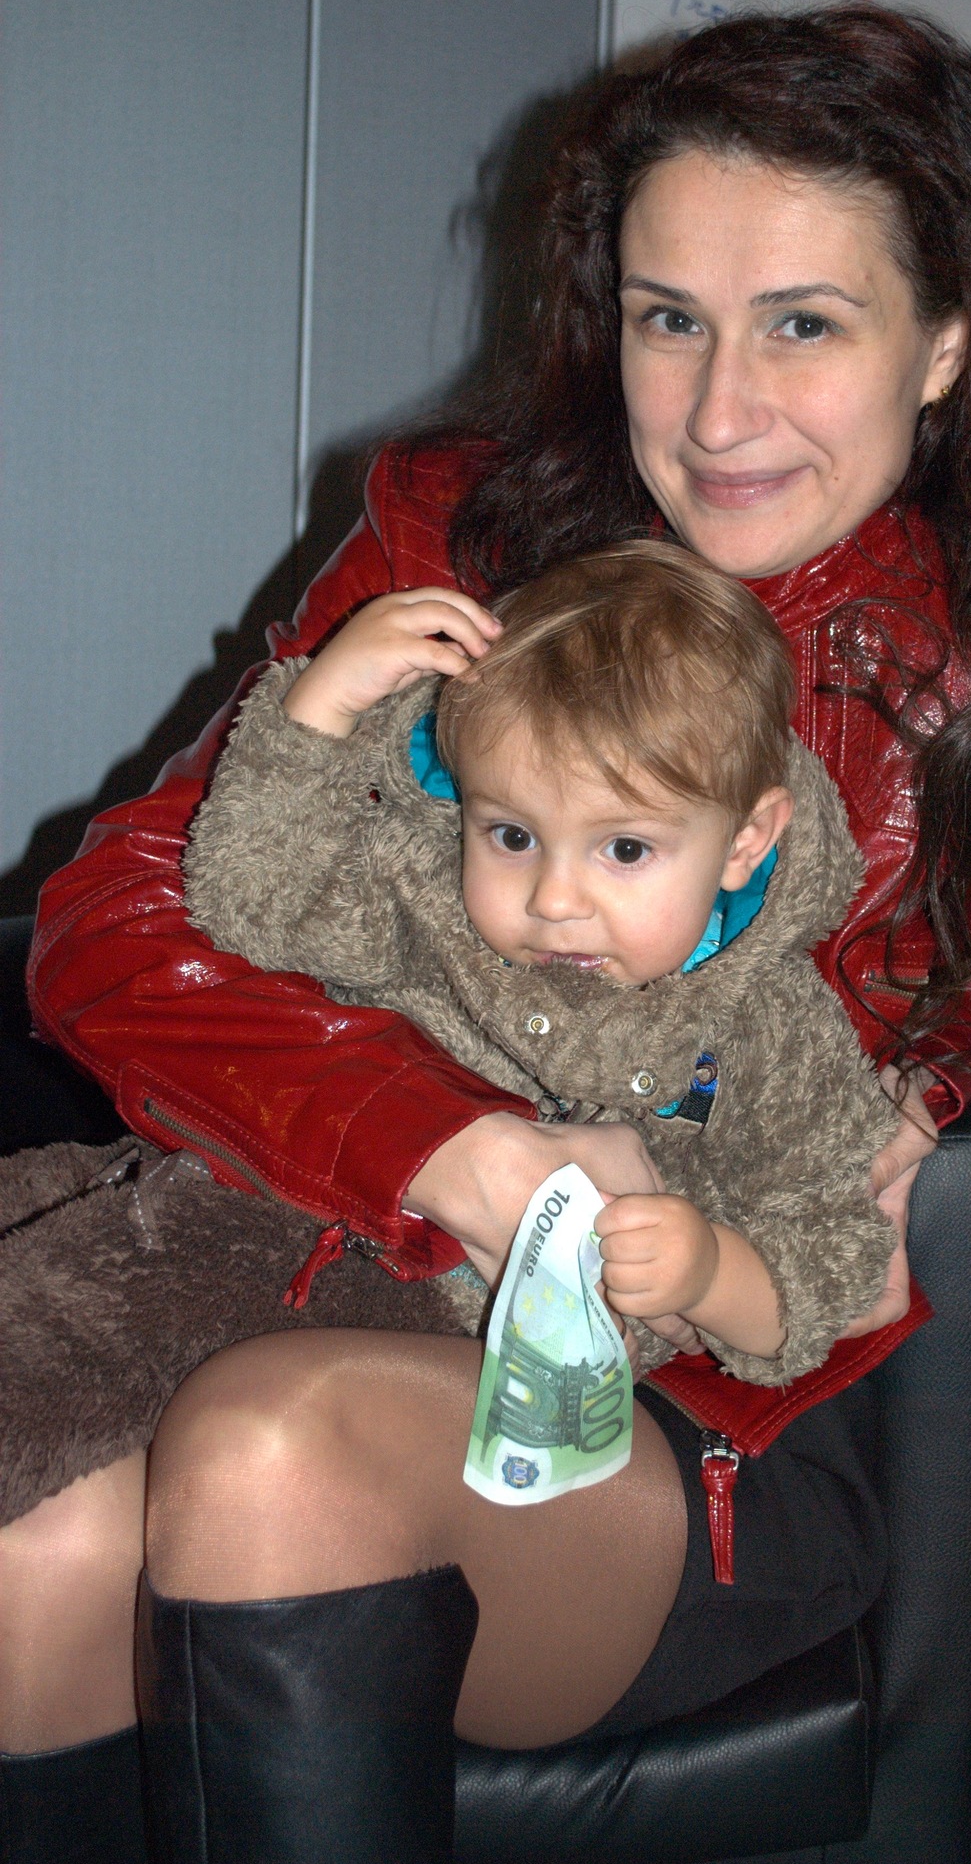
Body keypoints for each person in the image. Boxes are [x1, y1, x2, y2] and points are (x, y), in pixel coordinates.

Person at [0, 3, 971, 1864]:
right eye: (666, 317)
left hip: (672, 1416)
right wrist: (452, 1149)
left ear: (947, 341)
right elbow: (121, 930)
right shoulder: (456, 547)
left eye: (805, 322)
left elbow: (852, 1112)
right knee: (38, 1551)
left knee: (273, 1443)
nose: (717, 412)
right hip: (307, 1260)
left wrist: (843, 1120)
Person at [181, 538, 907, 1384]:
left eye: (625, 849)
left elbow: (829, 1262)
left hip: (482, 1368)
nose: (554, 901)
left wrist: (711, 1273)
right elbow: (251, 902)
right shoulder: (425, 897)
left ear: (745, 843)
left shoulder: (773, 1032)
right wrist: (322, 703)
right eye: (513, 836)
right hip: (260, 1235)